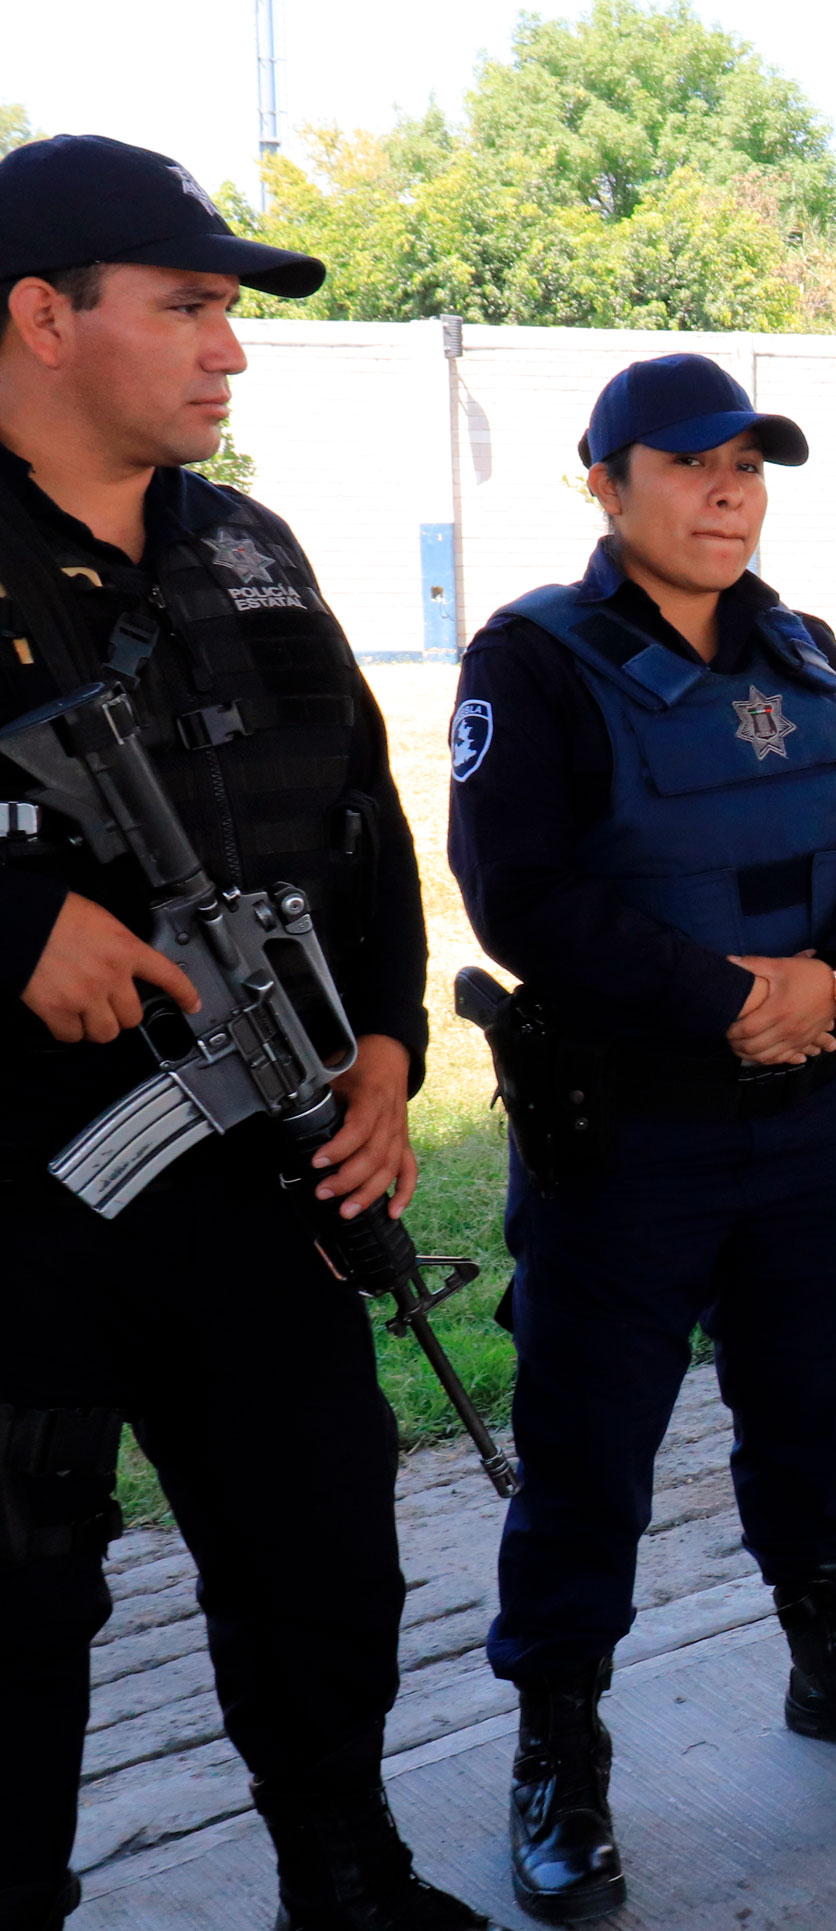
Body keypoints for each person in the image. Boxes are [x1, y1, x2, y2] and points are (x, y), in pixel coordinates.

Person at [0, 137, 490, 1931]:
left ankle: (341, 1869)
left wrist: (381, 1057)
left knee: (319, 1553)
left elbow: (359, 812)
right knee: (23, 1582)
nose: (229, 348)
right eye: (189, 305)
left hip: (256, 1167)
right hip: (22, 1192)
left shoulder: (244, 545)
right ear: (45, 318)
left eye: (229, 309)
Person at [450, 353, 836, 1921]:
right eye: (688, 465)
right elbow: (521, 894)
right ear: (605, 485)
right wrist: (723, 998)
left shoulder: (802, 648)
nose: (729, 490)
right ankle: (560, 1751)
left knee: (815, 1411)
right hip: (631, 1141)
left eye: (749, 463)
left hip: (810, 1122)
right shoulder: (532, 660)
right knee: (590, 1458)